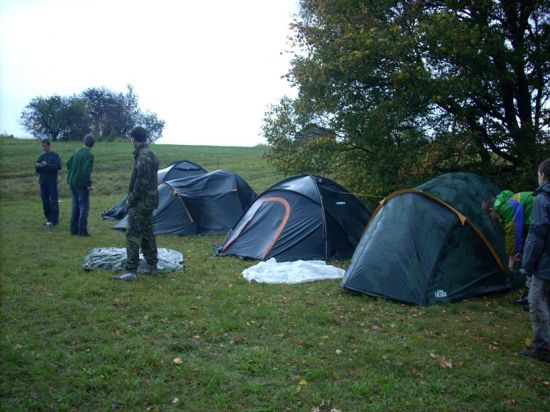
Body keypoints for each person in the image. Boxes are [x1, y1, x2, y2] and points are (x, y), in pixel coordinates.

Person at [113, 126, 159, 281]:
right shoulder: (151, 154)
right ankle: (152, 265)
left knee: (133, 234)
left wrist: (130, 200)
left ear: (133, 139)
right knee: (147, 234)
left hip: (140, 203)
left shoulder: (143, 157)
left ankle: (131, 270)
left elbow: (141, 183)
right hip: (150, 202)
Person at [519, 158, 550, 361]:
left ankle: (543, 348)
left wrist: (527, 265)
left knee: (536, 301)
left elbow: (537, 235)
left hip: (545, 263)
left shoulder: (542, 199)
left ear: (543, 176)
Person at [67, 134, 95, 236]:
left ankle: (73, 230)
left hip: (72, 182)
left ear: (84, 142)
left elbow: (68, 163)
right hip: (81, 184)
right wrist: (88, 184)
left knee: (75, 205)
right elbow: (85, 171)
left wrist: (73, 173)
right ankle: (82, 231)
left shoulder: (77, 151)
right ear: (92, 144)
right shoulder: (89, 155)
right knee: (84, 207)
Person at [35, 138, 61, 227]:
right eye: (42, 146)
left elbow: (58, 166)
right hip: (43, 182)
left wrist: (47, 165)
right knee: (45, 201)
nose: (44, 148)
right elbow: (37, 170)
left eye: (45, 146)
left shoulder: (55, 156)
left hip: (52, 182)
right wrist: (38, 166)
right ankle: (49, 219)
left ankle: (54, 220)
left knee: (53, 201)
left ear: (49, 145)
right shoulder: (42, 156)